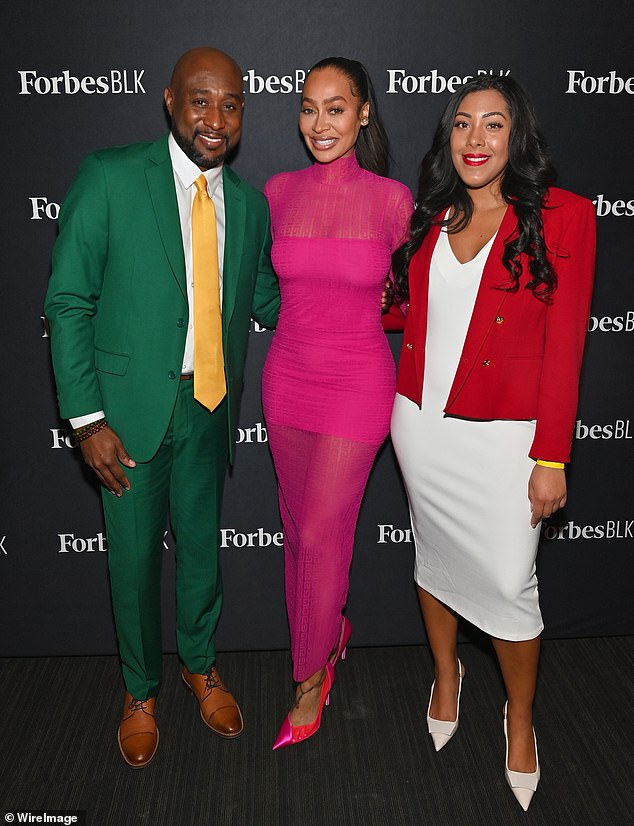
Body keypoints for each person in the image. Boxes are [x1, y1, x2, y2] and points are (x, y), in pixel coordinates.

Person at [44, 47, 280, 768]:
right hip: (128, 417)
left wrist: (366, 293)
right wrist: (86, 420)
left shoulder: (245, 202)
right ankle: (140, 690)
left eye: (231, 104)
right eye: (201, 100)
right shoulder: (110, 176)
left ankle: (200, 666)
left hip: (209, 408)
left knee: (203, 553)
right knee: (137, 561)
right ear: (170, 102)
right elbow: (68, 299)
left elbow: (268, 298)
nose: (216, 118)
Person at [389, 75, 595, 810]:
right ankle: (447, 675)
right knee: (432, 557)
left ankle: (521, 716)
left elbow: (566, 346)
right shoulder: (430, 217)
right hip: (420, 428)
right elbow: (403, 315)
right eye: (463, 124)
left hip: (509, 442)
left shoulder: (563, 218)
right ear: (447, 137)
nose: (475, 139)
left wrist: (551, 456)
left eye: (494, 125)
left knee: (510, 585)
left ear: (517, 138)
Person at [262, 57, 413, 749]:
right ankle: (333, 630)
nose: (318, 123)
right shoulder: (276, 191)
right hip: (287, 376)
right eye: (307, 107)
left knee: (322, 534)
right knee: (298, 534)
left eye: (334, 107)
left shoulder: (391, 200)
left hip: (357, 383)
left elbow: (411, 301)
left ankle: (308, 677)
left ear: (363, 114)